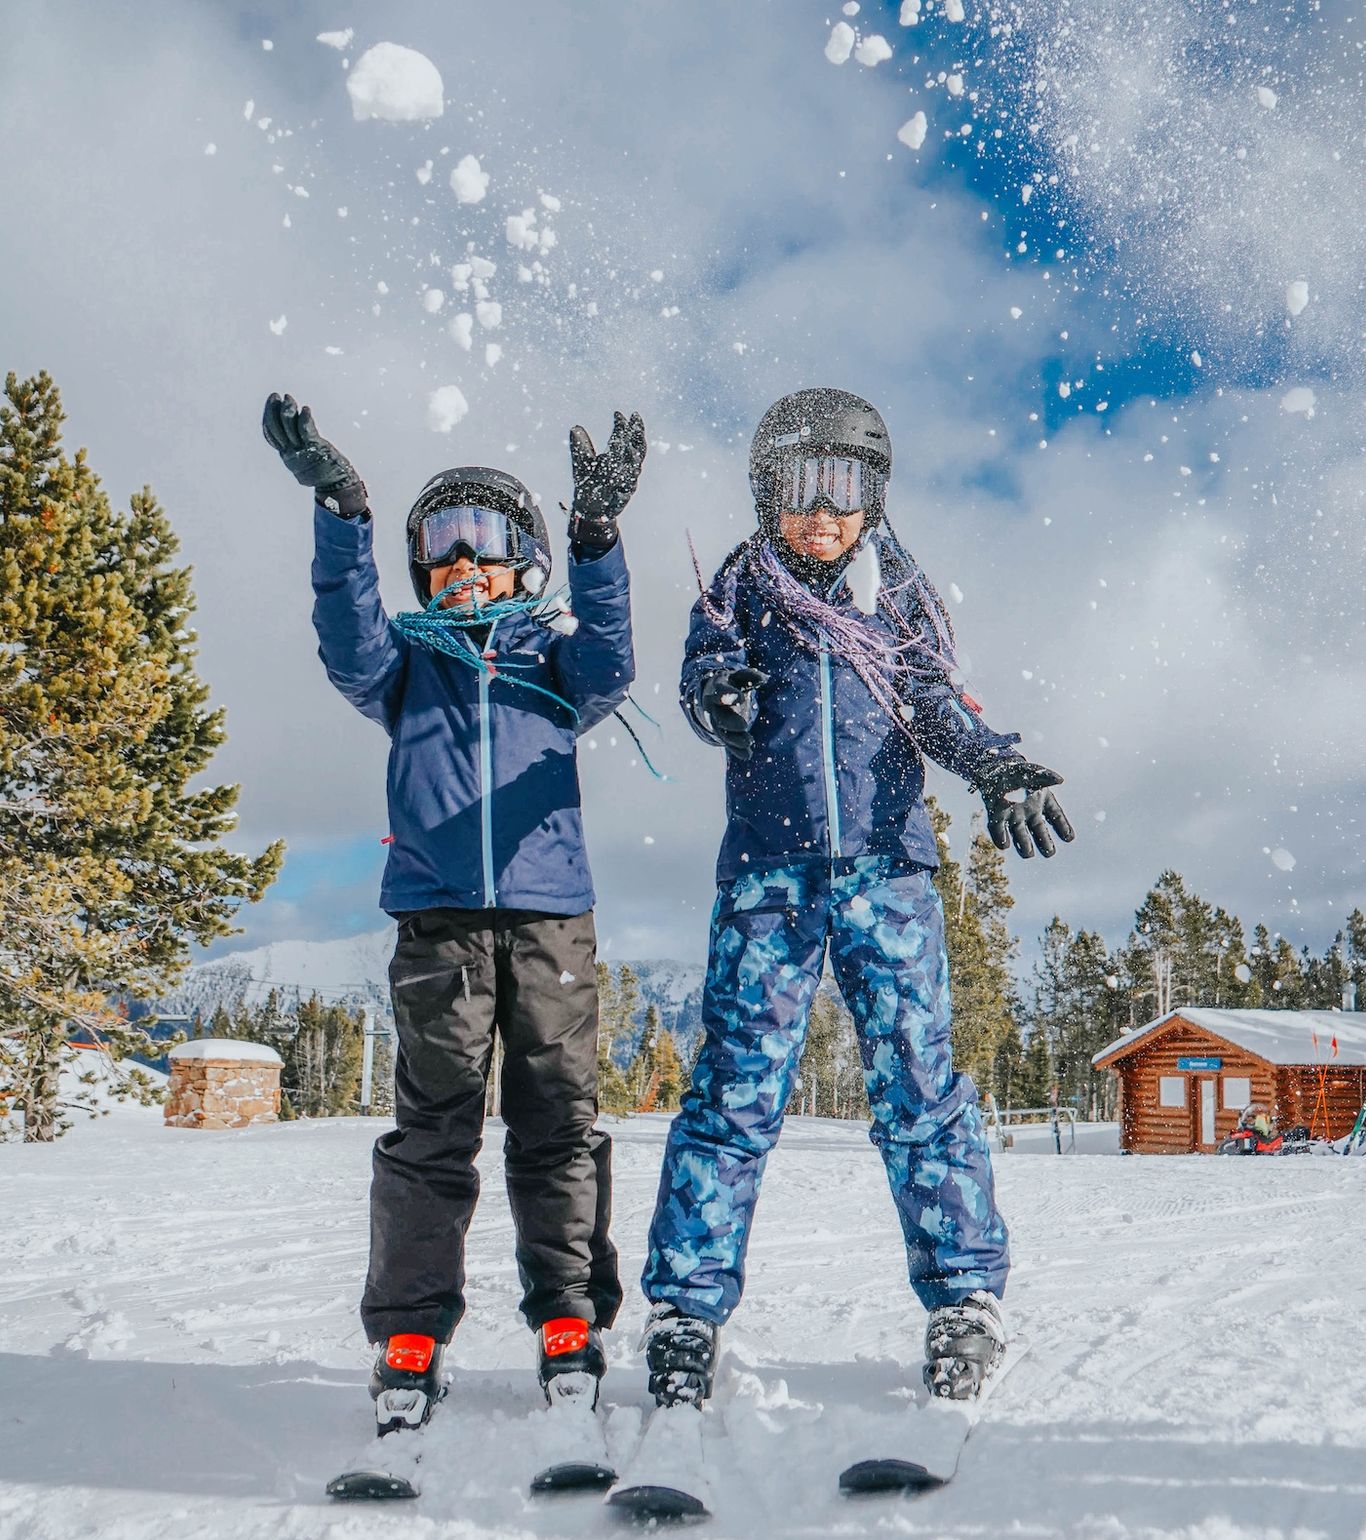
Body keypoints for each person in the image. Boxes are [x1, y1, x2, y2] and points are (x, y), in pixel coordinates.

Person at [639, 388, 1073, 1407]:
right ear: (766, 496)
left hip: (887, 872)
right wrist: (718, 697)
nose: (823, 513)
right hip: (767, 879)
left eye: (845, 489)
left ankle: (964, 1295)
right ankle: (685, 1311)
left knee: (919, 1090)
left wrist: (1000, 766)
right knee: (733, 1095)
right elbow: (703, 678)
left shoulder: (899, 592)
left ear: (873, 498)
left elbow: (933, 705)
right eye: (800, 489)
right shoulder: (740, 587)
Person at [262, 393, 646, 1433]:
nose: (461, 563)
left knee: (556, 1125)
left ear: (525, 558)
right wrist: (342, 511)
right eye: (439, 545)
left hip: (551, 921)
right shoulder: (406, 668)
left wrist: (599, 540)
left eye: (483, 541)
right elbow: (346, 639)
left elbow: (615, 655)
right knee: (432, 1132)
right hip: (437, 927)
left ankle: (567, 1316)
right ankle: (411, 1330)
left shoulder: (555, 665)